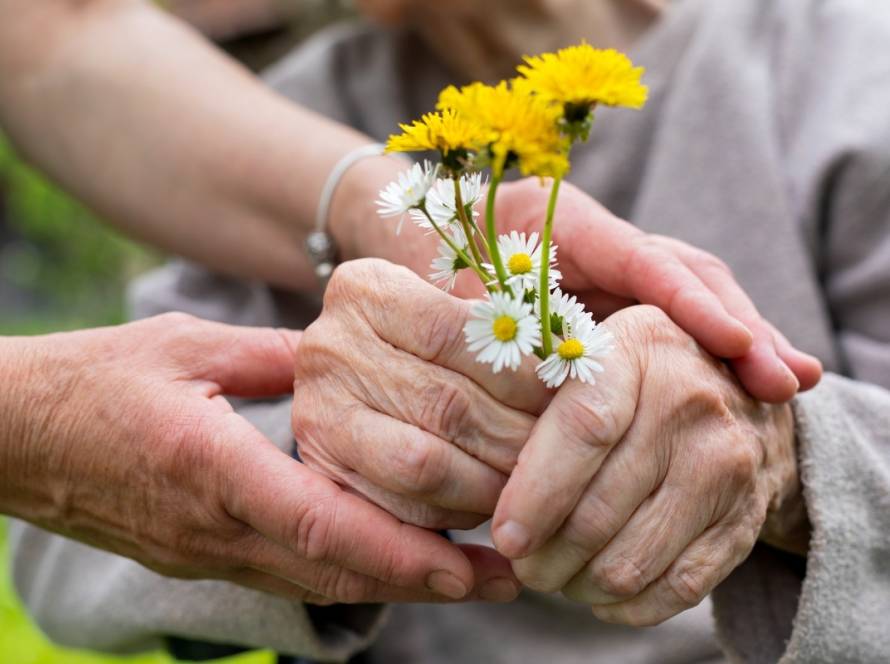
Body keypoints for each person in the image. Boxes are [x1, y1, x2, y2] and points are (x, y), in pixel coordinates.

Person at [12, 0, 885, 662]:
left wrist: (792, 460)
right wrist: (332, 453)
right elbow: (60, 551)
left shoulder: (842, 64)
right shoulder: (282, 125)